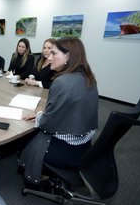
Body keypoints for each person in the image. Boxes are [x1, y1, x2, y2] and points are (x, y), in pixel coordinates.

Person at [18, 37, 98, 187]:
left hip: (66, 149)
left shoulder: (62, 82)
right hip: (85, 144)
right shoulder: (88, 78)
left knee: (22, 136)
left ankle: (38, 177)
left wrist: (42, 115)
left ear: (67, 56)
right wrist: (47, 112)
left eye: (54, 53)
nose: (49, 57)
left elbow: (47, 125)